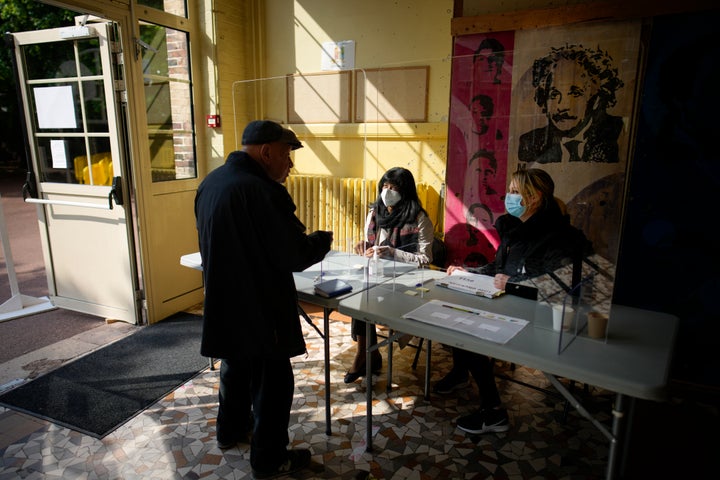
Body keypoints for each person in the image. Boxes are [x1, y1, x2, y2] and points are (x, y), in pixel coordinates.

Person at [194, 120, 333, 478]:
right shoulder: (262, 190)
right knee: (273, 385)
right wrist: (321, 240)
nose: (290, 165)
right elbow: (294, 255)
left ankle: (229, 431)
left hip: (224, 302)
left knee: (235, 370)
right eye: (287, 156)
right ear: (267, 151)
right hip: (260, 308)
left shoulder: (210, 183)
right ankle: (269, 460)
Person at [435, 167, 591, 435]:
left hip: (545, 318)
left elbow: (559, 287)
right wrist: (468, 272)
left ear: (535, 197)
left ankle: (494, 412)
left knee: (469, 328)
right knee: (458, 311)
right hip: (508, 304)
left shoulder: (560, 238)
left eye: (516, 192)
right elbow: (499, 268)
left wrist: (514, 283)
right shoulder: (513, 229)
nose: (509, 196)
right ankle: (461, 371)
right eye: (510, 190)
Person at [344, 167, 434, 383]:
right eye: (385, 186)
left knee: (366, 297)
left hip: (408, 283)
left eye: (393, 187)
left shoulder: (419, 218)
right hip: (379, 277)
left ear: (406, 191)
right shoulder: (374, 213)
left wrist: (394, 253)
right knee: (360, 295)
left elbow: (425, 259)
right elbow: (373, 246)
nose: (387, 191)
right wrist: (364, 246)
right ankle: (366, 354)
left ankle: (367, 356)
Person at [518, 44, 625, 164]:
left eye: (575, 94)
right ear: (543, 99)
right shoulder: (530, 142)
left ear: (596, 98)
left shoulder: (617, 132)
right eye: (554, 95)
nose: (562, 106)